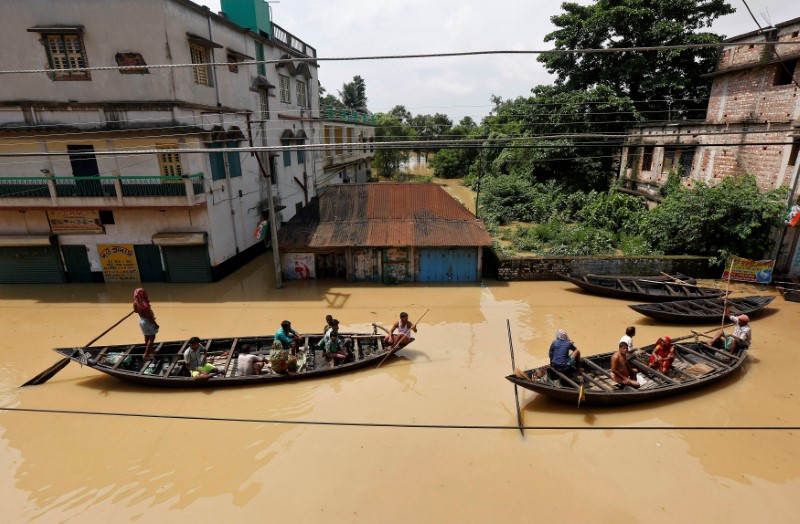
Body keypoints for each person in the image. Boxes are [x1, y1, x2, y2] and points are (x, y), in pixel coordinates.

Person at [133, 288, 159, 359]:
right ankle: (146, 354)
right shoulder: (145, 305)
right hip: (147, 322)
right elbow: (149, 317)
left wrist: (139, 310)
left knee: (146, 336)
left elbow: (135, 311)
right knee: (152, 337)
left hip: (141, 320)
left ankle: (151, 351)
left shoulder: (135, 302)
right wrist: (155, 324)